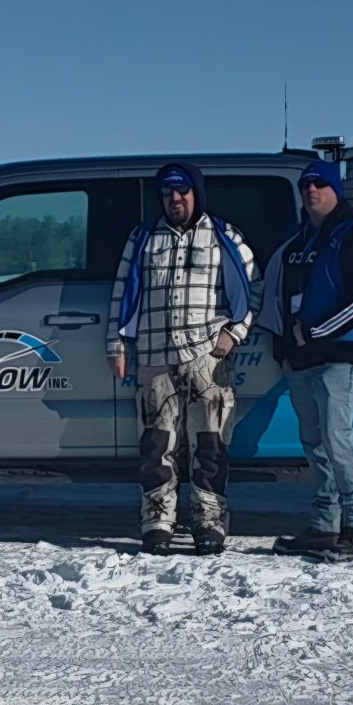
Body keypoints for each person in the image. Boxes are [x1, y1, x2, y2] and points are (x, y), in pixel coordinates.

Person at [107, 161, 258, 556]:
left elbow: (253, 289)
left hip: (207, 358)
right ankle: (158, 518)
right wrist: (117, 345)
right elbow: (123, 293)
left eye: (182, 192)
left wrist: (233, 333)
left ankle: (208, 520)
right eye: (168, 193)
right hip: (155, 356)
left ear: (196, 193)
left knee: (209, 444)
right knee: (156, 444)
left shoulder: (223, 236)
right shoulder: (143, 238)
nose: (175, 200)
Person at [259, 158, 353, 557]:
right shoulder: (298, 242)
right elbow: (279, 297)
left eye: (320, 184)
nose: (312, 190)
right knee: (313, 441)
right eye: (306, 185)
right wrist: (285, 348)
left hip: (339, 358)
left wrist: (315, 333)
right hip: (302, 360)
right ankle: (325, 523)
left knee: (337, 437)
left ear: (335, 190)